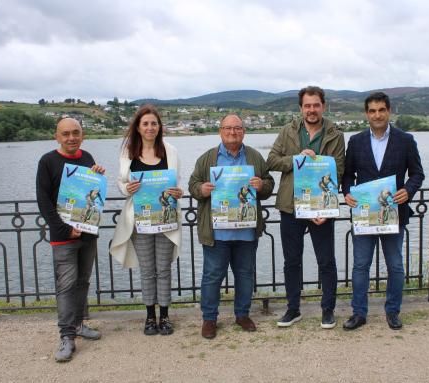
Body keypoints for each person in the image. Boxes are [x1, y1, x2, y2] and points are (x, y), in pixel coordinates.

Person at [342, 92, 425, 331]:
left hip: (394, 214)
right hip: (365, 214)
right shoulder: (356, 141)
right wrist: (347, 192)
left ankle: (393, 311)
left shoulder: (406, 140)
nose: (377, 115)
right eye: (372, 111)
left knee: (395, 265)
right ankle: (359, 313)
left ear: (389, 111)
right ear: (366, 114)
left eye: (381, 110)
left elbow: (417, 174)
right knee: (360, 266)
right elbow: (348, 174)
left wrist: (408, 191)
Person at [189, 114, 274, 339]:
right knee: (212, 276)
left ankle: (242, 314)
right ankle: (209, 319)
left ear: (244, 131)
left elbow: (269, 185)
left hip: (246, 231)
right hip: (217, 232)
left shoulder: (254, 157)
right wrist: (202, 190)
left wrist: (262, 184)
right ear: (220, 131)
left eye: (237, 128)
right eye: (228, 128)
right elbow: (192, 184)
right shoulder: (207, 158)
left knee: (245, 275)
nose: (233, 132)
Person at [267, 86, 345, 329]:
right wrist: (296, 159)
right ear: (301, 108)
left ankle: (328, 310)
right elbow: (271, 160)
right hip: (291, 207)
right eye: (307, 105)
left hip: (321, 208)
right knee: (292, 260)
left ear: (323, 106)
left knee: (326, 261)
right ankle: (293, 309)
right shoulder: (288, 130)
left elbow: (338, 171)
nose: (312, 110)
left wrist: (325, 208)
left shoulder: (335, 134)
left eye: (316, 105)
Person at [110, 105, 183, 336]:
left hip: (165, 219)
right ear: (138, 128)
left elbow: (176, 184)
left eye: (154, 123)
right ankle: (150, 316)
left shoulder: (170, 151)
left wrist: (178, 192)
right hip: (138, 222)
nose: (150, 127)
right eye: (145, 124)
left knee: (163, 269)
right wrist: (126, 188)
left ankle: (165, 316)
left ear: (159, 126)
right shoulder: (128, 153)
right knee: (147, 270)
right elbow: (121, 183)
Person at [36, 117, 104, 363]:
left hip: (87, 233)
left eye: (76, 133)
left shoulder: (87, 158)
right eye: (66, 134)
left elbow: (93, 193)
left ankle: (78, 324)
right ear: (57, 136)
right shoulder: (47, 161)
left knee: (83, 281)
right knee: (66, 286)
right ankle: (66, 336)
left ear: (82, 135)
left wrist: (98, 175)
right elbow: (43, 201)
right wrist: (64, 230)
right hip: (63, 237)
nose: (71, 137)